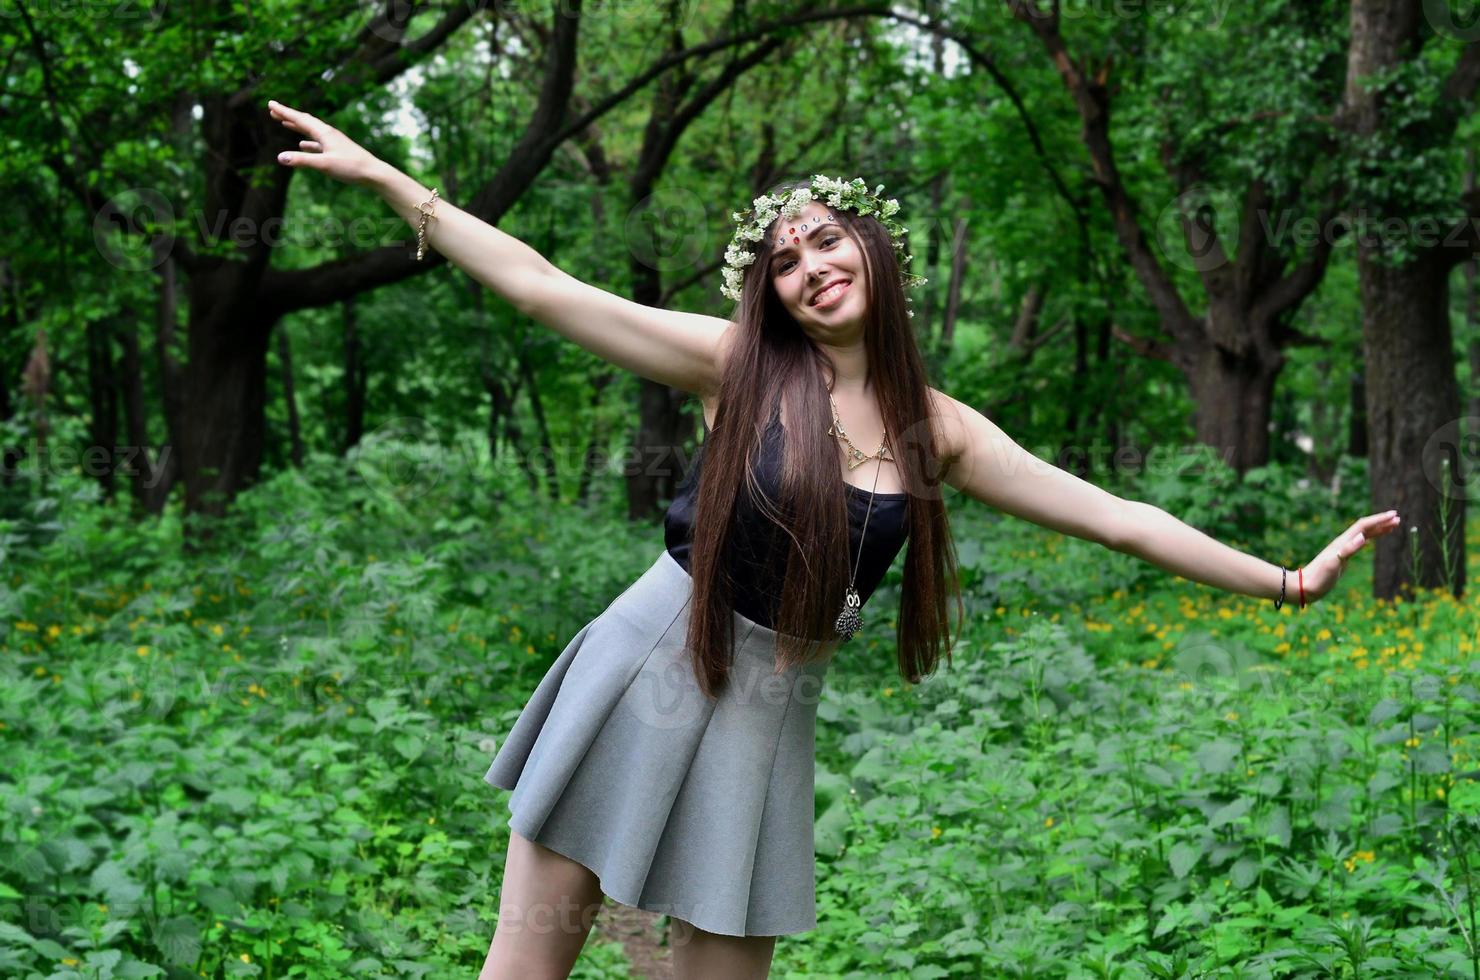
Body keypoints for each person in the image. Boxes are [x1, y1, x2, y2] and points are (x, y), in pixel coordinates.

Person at [268, 99, 1403, 980]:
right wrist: (384, 178)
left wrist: (1287, 579)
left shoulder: (937, 428)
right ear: (772, 296)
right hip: (649, 665)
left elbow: (1117, 514)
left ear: (869, 246)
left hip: (765, 715)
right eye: (785, 263)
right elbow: (541, 284)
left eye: (824, 242)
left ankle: (641, 926)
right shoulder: (736, 365)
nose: (811, 268)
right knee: (526, 964)